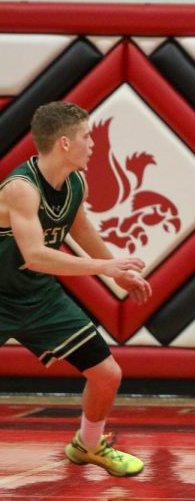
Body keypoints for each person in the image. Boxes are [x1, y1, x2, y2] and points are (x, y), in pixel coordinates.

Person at [0, 101, 152, 476]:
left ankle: (88, 445)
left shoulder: (75, 182)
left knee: (106, 374)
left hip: (38, 297)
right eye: (87, 136)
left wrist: (115, 274)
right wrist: (104, 266)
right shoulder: (21, 189)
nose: (93, 144)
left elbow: (79, 228)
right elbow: (35, 255)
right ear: (64, 143)